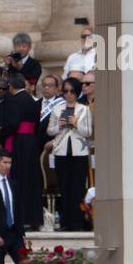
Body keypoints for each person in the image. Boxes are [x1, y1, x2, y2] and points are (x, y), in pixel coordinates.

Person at [48, 78, 92, 231]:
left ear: (77, 92)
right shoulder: (57, 109)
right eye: (65, 91)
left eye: (72, 91)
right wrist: (59, 125)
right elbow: (50, 131)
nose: (68, 94)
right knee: (64, 187)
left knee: (78, 188)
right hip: (61, 151)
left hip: (79, 152)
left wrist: (76, 124)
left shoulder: (84, 109)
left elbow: (88, 132)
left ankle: (78, 222)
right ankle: (66, 222)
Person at [1, 71, 43, 227]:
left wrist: (0, 132)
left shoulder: (15, 100)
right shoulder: (31, 100)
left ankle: (23, 217)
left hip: (19, 142)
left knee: (20, 178)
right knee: (31, 179)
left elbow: (13, 124)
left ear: (11, 86)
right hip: (31, 142)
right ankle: (34, 218)